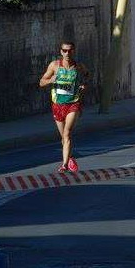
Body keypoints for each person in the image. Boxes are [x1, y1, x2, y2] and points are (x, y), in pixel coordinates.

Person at [39, 41, 90, 173]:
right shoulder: (55, 65)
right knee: (63, 137)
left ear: (74, 51)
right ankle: (70, 157)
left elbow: (87, 75)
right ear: (61, 51)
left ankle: (64, 165)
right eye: (65, 50)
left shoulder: (78, 66)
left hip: (73, 103)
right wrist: (51, 80)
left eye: (70, 50)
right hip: (58, 104)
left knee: (67, 133)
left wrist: (84, 85)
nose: (67, 53)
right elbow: (41, 82)